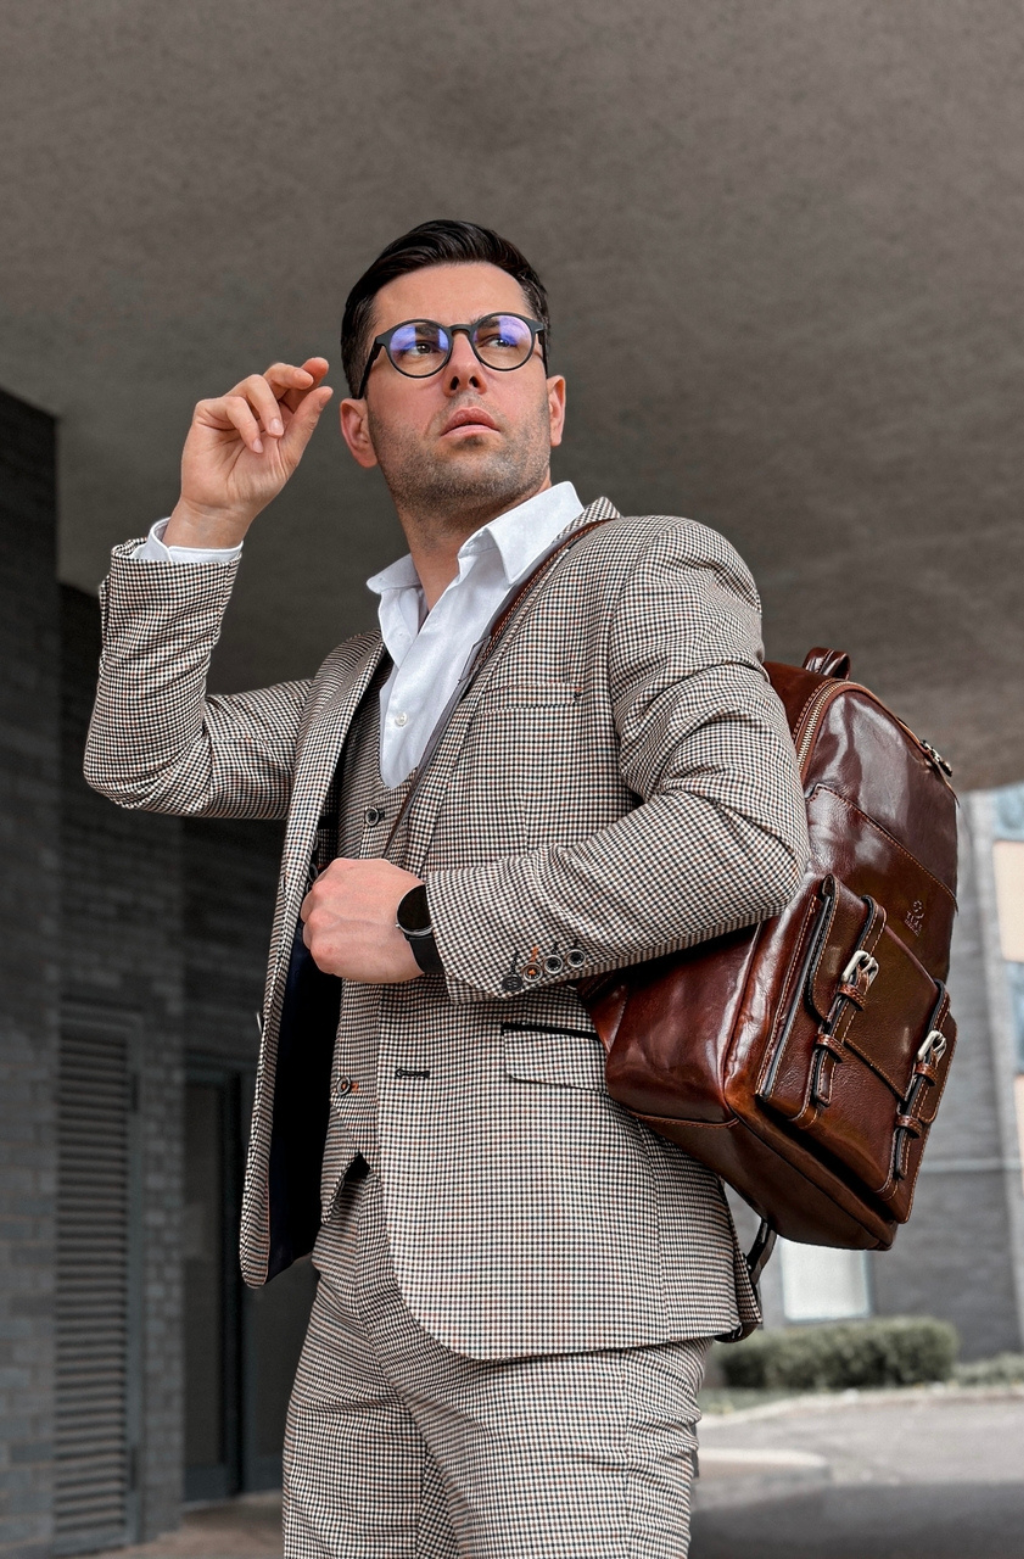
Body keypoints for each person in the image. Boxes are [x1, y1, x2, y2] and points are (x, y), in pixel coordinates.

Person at [85, 219, 809, 1557]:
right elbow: (145, 759)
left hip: (571, 1284)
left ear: (552, 399)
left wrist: (426, 923)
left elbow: (745, 834)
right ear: (361, 428)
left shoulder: (649, 570)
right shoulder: (360, 672)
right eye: (416, 347)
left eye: (500, 340)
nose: (465, 366)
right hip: (362, 1289)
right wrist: (208, 524)